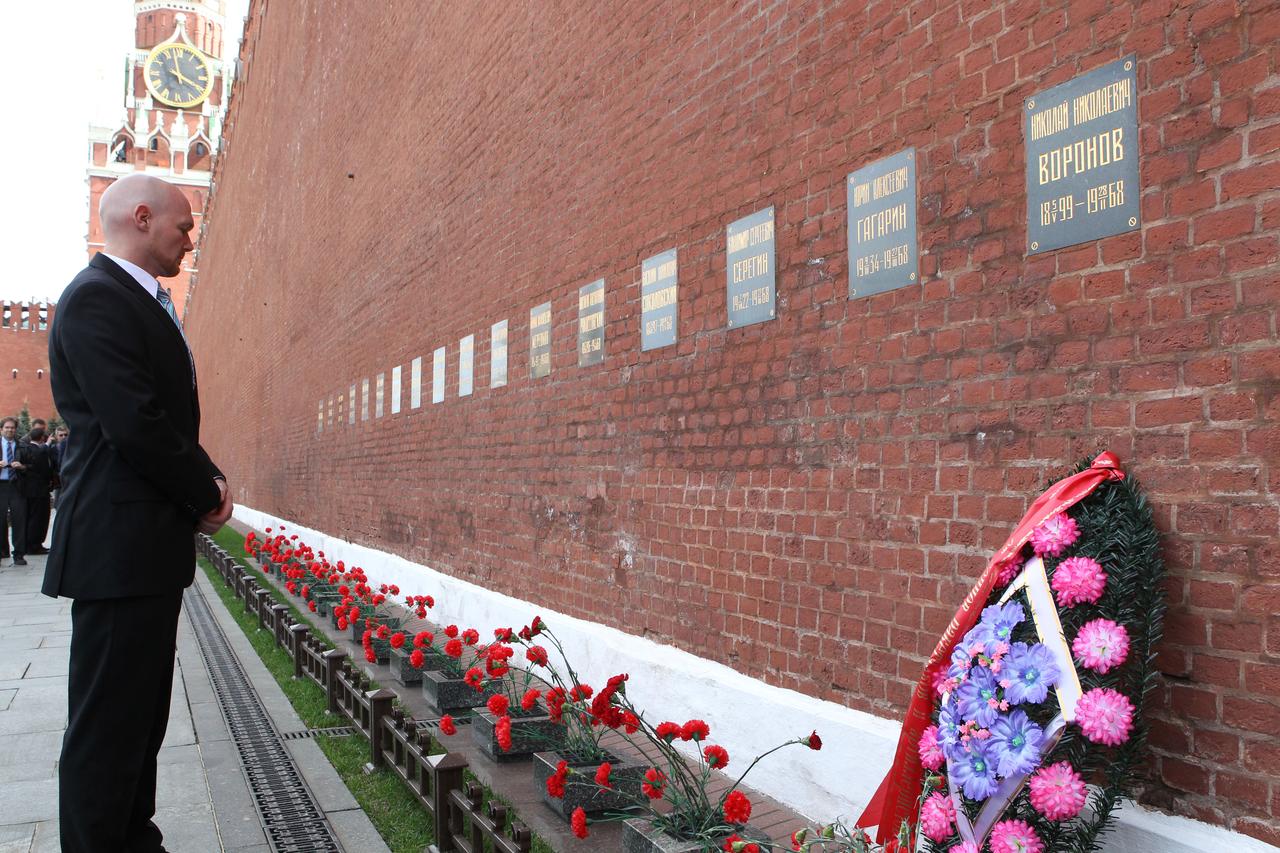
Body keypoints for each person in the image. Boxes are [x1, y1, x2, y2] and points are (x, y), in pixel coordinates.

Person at [44, 173, 233, 853]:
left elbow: (159, 415)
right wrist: (204, 490)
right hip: (116, 548)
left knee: (138, 720)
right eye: (183, 226)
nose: (189, 237)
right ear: (142, 216)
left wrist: (203, 471)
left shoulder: (136, 299)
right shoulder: (98, 298)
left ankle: (131, 837)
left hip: (141, 550)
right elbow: (135, 420)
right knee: (107, 728)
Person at [0, 417, 30, 565]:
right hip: (1, 485)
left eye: (12, 428)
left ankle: (18, 554)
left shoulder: (22, 446)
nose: (10, 430)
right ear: (1, 429)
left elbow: (32, 466)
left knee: (19, 519)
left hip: (17, 485)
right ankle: (2, 551)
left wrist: (22, 467)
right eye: (7, 427)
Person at [20, 421, 53, 553]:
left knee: (34, 517)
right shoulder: (37, 450)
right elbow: (43, 468)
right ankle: (34, 545)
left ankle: (33, 544)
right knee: (38, 518)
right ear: (42, 438)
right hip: (38, 490)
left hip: (34, 490)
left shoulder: (28, 448)